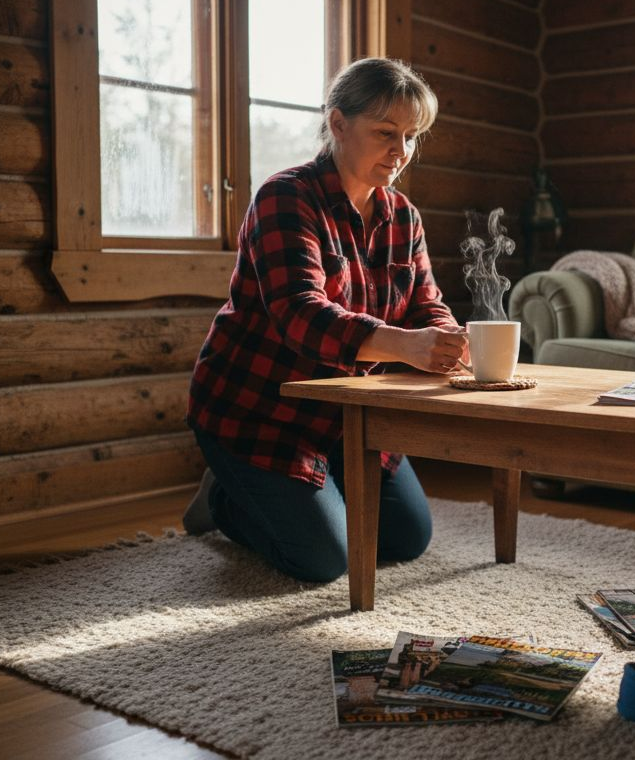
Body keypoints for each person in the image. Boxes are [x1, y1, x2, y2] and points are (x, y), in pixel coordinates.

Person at [183, 58, 468, 583]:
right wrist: (407, 346)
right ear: (338, 124)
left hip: (348, 418)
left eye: (411, 137)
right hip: (259, 414)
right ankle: (225, 499)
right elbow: (300, 316)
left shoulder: (403, 215)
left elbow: (426, 303)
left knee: (407, 539)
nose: (400, 152)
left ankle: (298, 495)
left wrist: (449, 339)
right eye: (386, 133)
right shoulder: (285, 196)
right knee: (324, 560)